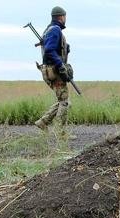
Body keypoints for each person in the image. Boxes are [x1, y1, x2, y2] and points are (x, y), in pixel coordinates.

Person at [34, 6, 73, 134]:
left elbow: (50, 49)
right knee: (65, 102)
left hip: (48, 70)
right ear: (61, 17)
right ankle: (60, 133)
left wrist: (65, 48)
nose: (65, 19)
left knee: (62, 101)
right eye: (65, 16)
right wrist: (61, 65)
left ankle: (43, 122)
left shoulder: (48, 30)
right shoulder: (55, 30)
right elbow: (50, 50)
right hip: (54, 70)